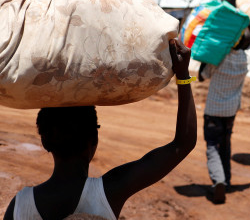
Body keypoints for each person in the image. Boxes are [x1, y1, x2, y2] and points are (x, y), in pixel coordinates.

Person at [4, 39, 197, 220]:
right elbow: (183, 144)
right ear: (94, 140)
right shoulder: (110, 190)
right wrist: (183, 75)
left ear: (45, 141)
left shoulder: (19, 206)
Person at [198, 25, 250, 203]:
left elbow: (202, 77)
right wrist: (246, 23)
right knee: (225, 144)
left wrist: (207, 56)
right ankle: (227, 181)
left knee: (212, 146)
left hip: (213, 111)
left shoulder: (218, 57)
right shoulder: (246, 58)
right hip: (231, 112)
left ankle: (218, 181)